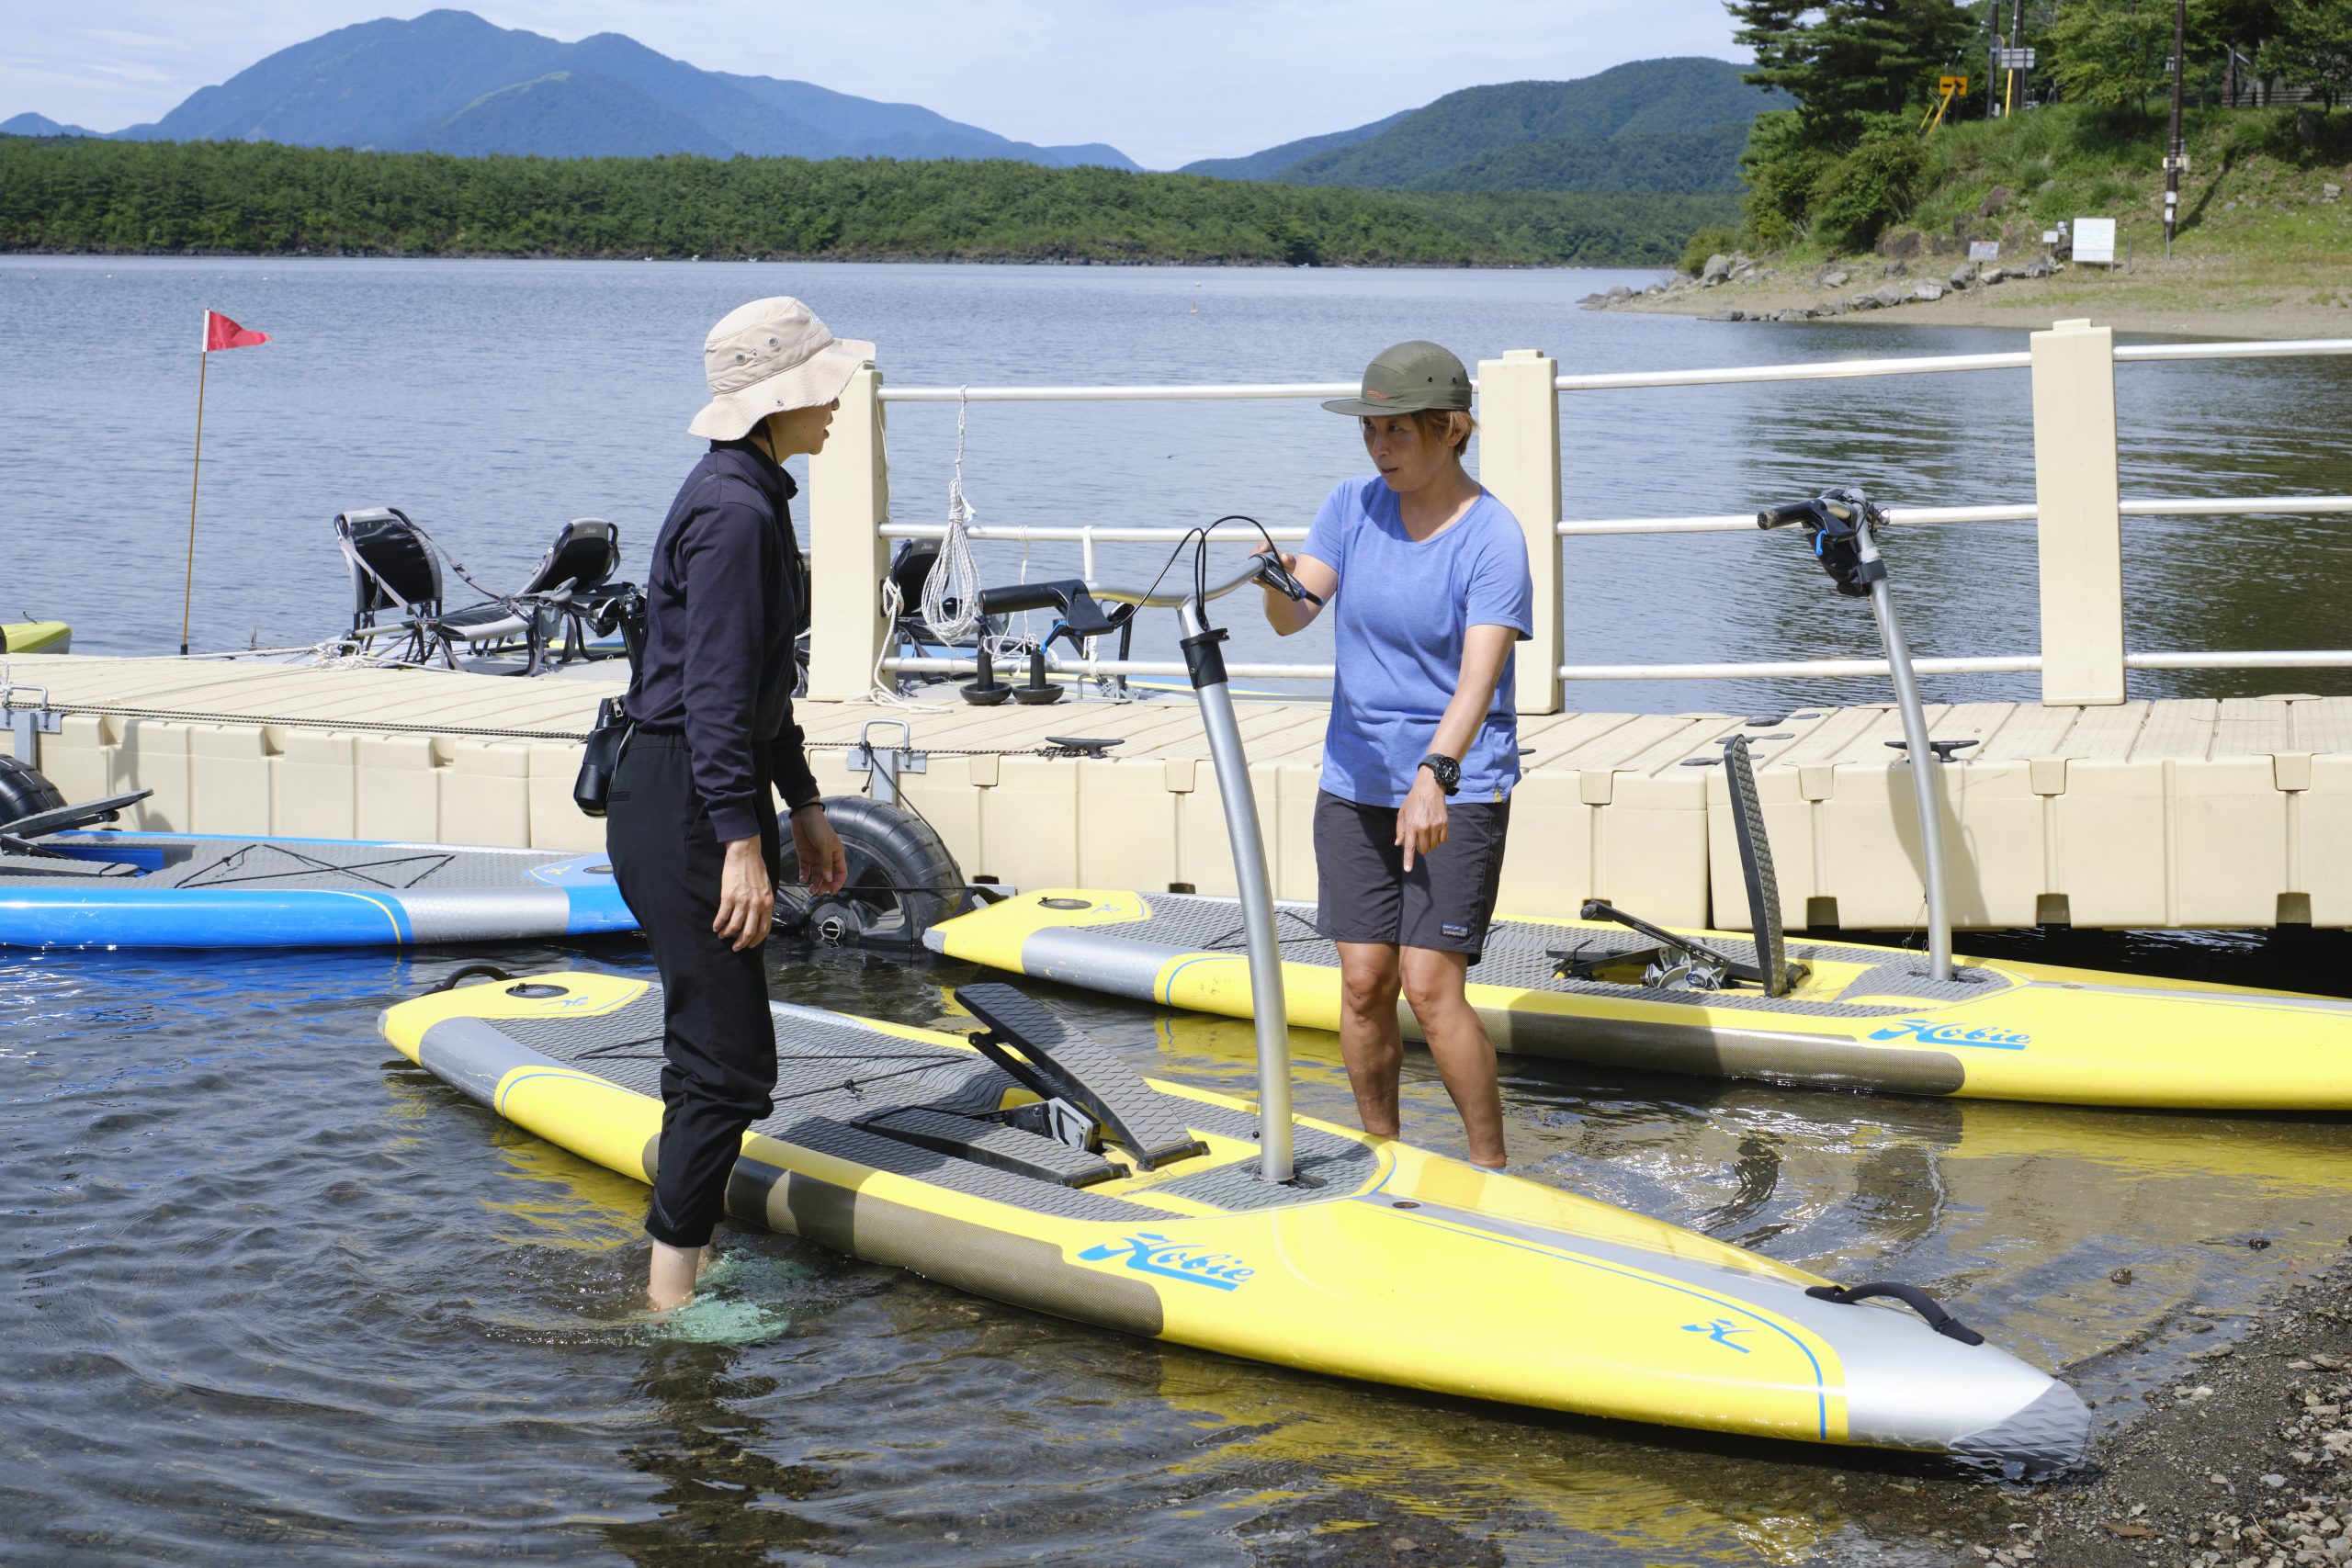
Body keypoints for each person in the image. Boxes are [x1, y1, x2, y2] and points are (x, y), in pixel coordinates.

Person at [607, 297, 858, 1310]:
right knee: (731, 1066)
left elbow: (757, 685)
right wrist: (740, 846)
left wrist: (800, 802)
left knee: (706, 1048)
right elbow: (712, 700)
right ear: (777, 400)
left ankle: (688, 1258)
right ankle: (669, 1305)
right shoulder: (736, 510)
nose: (838, 399)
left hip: (694, 786)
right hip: (682, 796)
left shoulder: (750, 490)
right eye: (823, 383)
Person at [1259, 340, 1532, 1171]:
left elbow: (1479, 682)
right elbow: (1291, 618)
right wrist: (1274, 580)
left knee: (1430, 983)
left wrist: (1434, 776)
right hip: (1357, 780)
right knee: (1364, 979)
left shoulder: (1493, 537)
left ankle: (1492, 1167)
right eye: (1370, 429)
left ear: (1450, 429)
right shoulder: (1351, 506)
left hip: (1457, 783)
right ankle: (1383, 1152)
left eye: (1398, 432)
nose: (1379, 447)